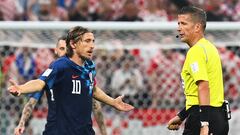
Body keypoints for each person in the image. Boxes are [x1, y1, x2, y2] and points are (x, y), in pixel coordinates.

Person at [8, 26, 134, 135]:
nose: (92, 46)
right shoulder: (60, 65)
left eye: (93, 41)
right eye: (87, 41)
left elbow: (92, 89)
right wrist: (21, 88)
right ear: (73, 44)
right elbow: (40, 82)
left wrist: (113, 102)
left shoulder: (89, 66)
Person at [14, 36, 107, 135]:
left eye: (67, 49)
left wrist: (104, 132)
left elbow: (95, 105)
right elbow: (31, 102)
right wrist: (22, 122)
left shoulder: (83, 75)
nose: (64, 53)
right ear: (56, 51)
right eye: (62, 49)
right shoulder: (49, 75)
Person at [167, 6, 229, 135]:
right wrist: (182, 115)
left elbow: (203, 86)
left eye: (184, 23)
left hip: (203, 118)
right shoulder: (209, 47)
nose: (179, 28)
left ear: (197, 27)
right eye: (178, 23)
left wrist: (204, 124)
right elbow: (200, 95)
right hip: (219, 118)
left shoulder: (195, 51)